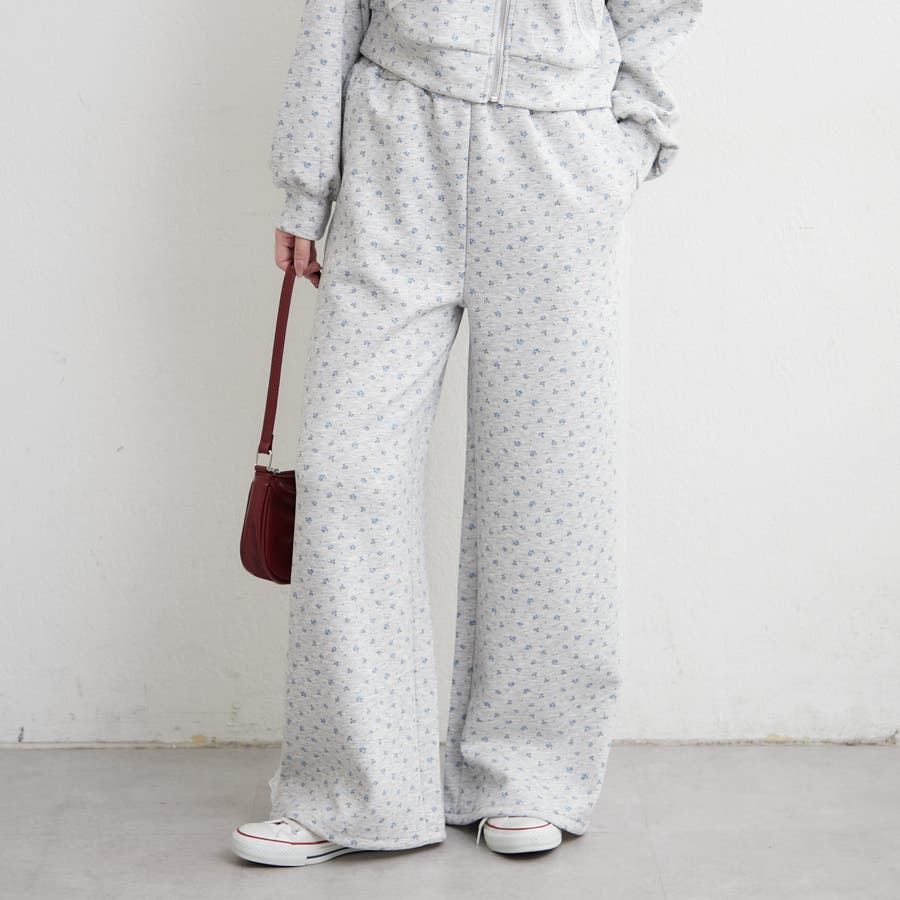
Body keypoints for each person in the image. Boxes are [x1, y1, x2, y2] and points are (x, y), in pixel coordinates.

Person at [232, 0, 702, 866]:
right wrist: (307, 182)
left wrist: (627, 141)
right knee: (345, 471)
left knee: (551, 485)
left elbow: (660, 11)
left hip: (558, 154)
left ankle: (528, 773)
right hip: (399, 141)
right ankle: (354, 789)